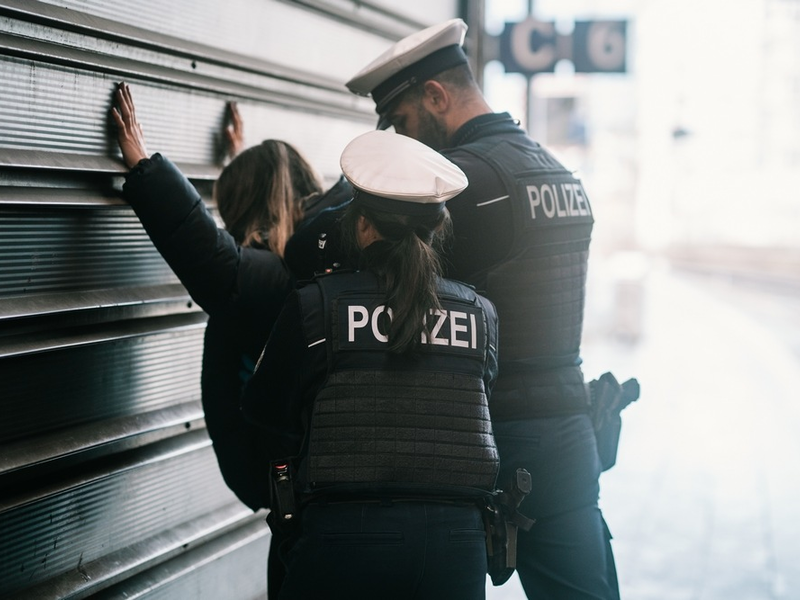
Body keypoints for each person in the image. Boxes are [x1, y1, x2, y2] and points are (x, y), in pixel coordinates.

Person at [337, 19, 620, 600]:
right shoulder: (557, 171)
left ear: (436, 96)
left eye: (404, 124)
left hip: (489, 438)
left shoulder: (468, 182)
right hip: (568, 431)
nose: (406, 143)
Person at [110, 82, 352, 596]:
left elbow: (223, 267)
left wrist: (144, 170)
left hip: (307, 515)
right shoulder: (324, 268)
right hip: (322, 498)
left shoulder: (286, 285)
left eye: (234, 210)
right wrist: (240, 163)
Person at [241, 129, 500, 600]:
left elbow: (265, 413)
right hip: (457, 549)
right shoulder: (481, 315)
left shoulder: (316, 306)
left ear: (361, 226)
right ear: (437, 227)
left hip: (343, 542)